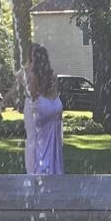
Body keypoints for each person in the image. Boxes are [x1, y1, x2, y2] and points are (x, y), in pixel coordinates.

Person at [21, 43, 64, 175]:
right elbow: (53, 93)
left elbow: (33, 96)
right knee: (51, 141)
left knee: (36, 140)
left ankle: (39, 171)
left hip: (43, 111)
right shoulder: (52, 76)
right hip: (55, 110)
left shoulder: (34, 77)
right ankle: (53, 169)